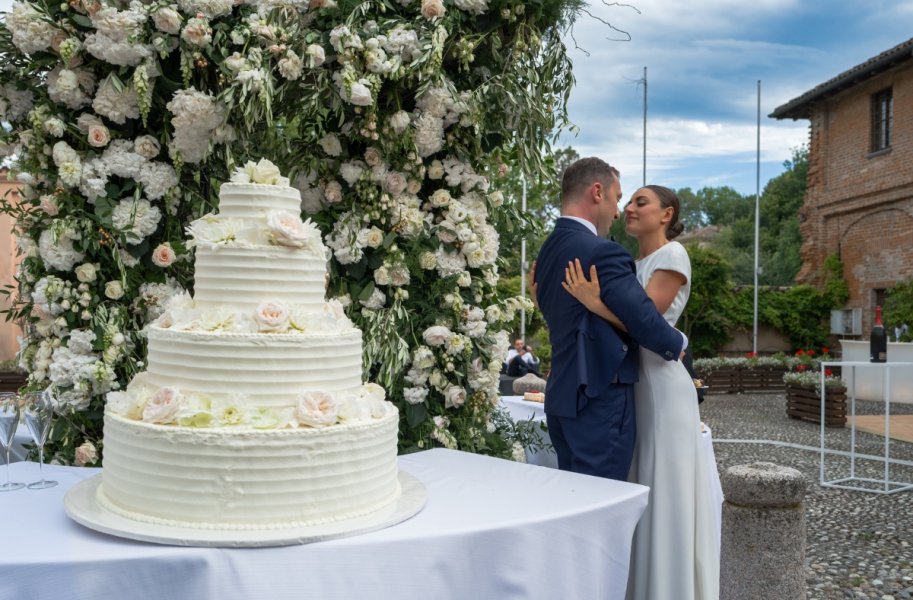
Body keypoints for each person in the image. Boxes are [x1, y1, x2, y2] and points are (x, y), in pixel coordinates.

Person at [560, 184, 719, 600]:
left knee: (663, 485)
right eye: (627, 200)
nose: (628, 208)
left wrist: (595, 304)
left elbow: (646, 320)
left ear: (666, 214)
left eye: (640, 202)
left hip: (663, 386)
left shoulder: (673, 255)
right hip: (633, 383)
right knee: (637, 480)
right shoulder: (630, 261)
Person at [529, 157, 687, 481]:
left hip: (563, 397)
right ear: (597, 192)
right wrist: (677, 343)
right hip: (600, 400)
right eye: (617, 198)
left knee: (575, 499)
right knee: (603, 506)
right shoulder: (603, 252)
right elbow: (642, 317)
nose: (618, 211)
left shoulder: (547, 252)